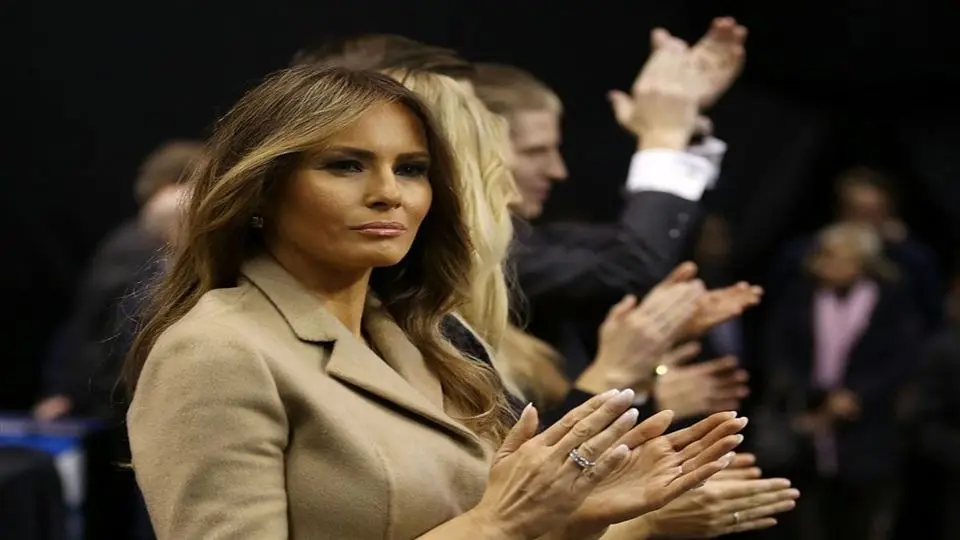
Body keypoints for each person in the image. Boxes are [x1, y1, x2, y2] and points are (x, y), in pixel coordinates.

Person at [124, 66, 744, 540]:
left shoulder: (429, 336)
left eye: (412, 169)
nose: (388, 193)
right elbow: (485, 526)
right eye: (346, 166)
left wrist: (582, 517)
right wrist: (499, 524)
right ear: (261, 188)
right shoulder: (215, 352)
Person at [390, 68, 796, 538]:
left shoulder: (458, 321)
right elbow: (501, 503)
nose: (553, 173)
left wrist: (647, 377)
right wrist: (618, 380)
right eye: (504, 160)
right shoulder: (409, 323)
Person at [470, 19, 751, 375]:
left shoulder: (536, 240)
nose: (558, 170)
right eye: (535, 151)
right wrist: (664, 138)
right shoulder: (477, 254)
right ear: (473, 151)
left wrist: (684, 130)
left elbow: (647, 246)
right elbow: (629, 266)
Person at [761, 222, 920, 540]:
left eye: (835, 256)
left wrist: (855, 394)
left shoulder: (891, 302)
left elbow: (901, 359)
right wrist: (816, 395)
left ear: (862, 262)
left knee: (858, 517)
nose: (823, 263)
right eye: (823, 255)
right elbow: (777, 354)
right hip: (805, 420)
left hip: (865, 423)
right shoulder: (799, 296)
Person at [33, 140, 203, 421]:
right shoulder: (136, 249)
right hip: (125, 401)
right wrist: (66, 389)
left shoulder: (129, 244)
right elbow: (108, 331)